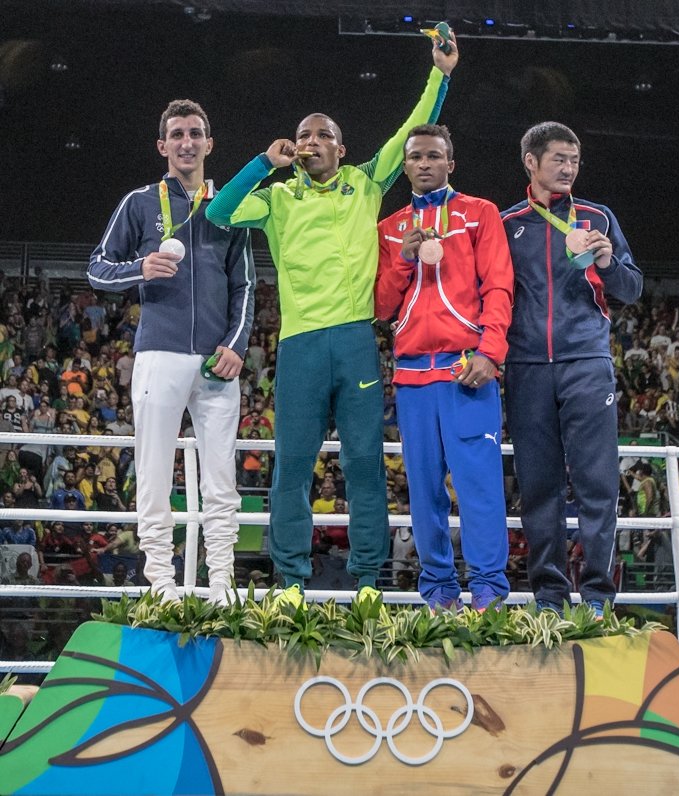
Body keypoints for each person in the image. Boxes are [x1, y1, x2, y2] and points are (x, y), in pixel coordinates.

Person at [206, 37, 459, 601]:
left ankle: (368, 580)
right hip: (298, 345)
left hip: (353, 340)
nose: (311, 142)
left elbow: (409, 131)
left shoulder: (367, 183)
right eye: (303, 136)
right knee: (292, 466)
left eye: (323, 135)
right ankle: (291, 582)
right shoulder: (275, 200)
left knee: (364, 462)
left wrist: (439, 76)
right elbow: (220, 212)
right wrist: (261, 164)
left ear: (342, 150)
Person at [87, 99, 256, 605]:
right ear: (163, 146)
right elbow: (96, 268)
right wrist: (140, 268)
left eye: (196, 133)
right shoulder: (139, 203)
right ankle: (160, 583)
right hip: (158, 354)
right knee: (155, 470)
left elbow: (245, 285)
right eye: (177, 134)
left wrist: (237, 344)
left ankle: (223, 584)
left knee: (223, 476)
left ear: (209, 143)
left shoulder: (232, 205)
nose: (187, 142)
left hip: (217, 360)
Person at [501, 121, 643, 617]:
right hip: (526, 368)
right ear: (531, 162)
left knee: (596, 484)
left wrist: (607, 262)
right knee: (538, 487)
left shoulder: (598, 217)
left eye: (574, 160)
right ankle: (550, 597)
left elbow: (630, 289)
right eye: (558, 158)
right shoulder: (507, 225)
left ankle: (600, 598)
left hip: (587, 363)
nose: (568, 168)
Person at [375, 124, 513, 612]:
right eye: (416, 157)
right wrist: (404, 259)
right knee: (424, 490)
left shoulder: (480, 215)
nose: (425, 163)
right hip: (413, 376)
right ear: (406, 166)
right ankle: (437, 592)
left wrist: (490, 352)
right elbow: (383, 305)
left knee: (478, 487)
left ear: (450, 163)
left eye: (434, 155)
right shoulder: (390, 228)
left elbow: (498, 287)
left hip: (465, 371)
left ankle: (490, 592)